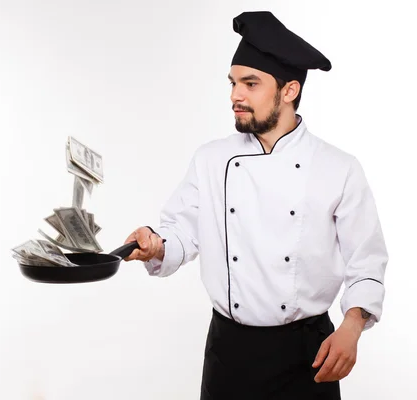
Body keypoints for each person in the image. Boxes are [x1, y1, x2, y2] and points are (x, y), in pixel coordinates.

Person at [123, 11, 388, 400]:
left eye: (250, 83)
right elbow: (183, 232)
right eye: (233, 83)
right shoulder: (210, 160)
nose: (235, 95)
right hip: (229, 353)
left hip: (308, 354)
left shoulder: (339, 168)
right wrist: (157, 244)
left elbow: (366, 263)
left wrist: (351, 327)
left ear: (289, 90)